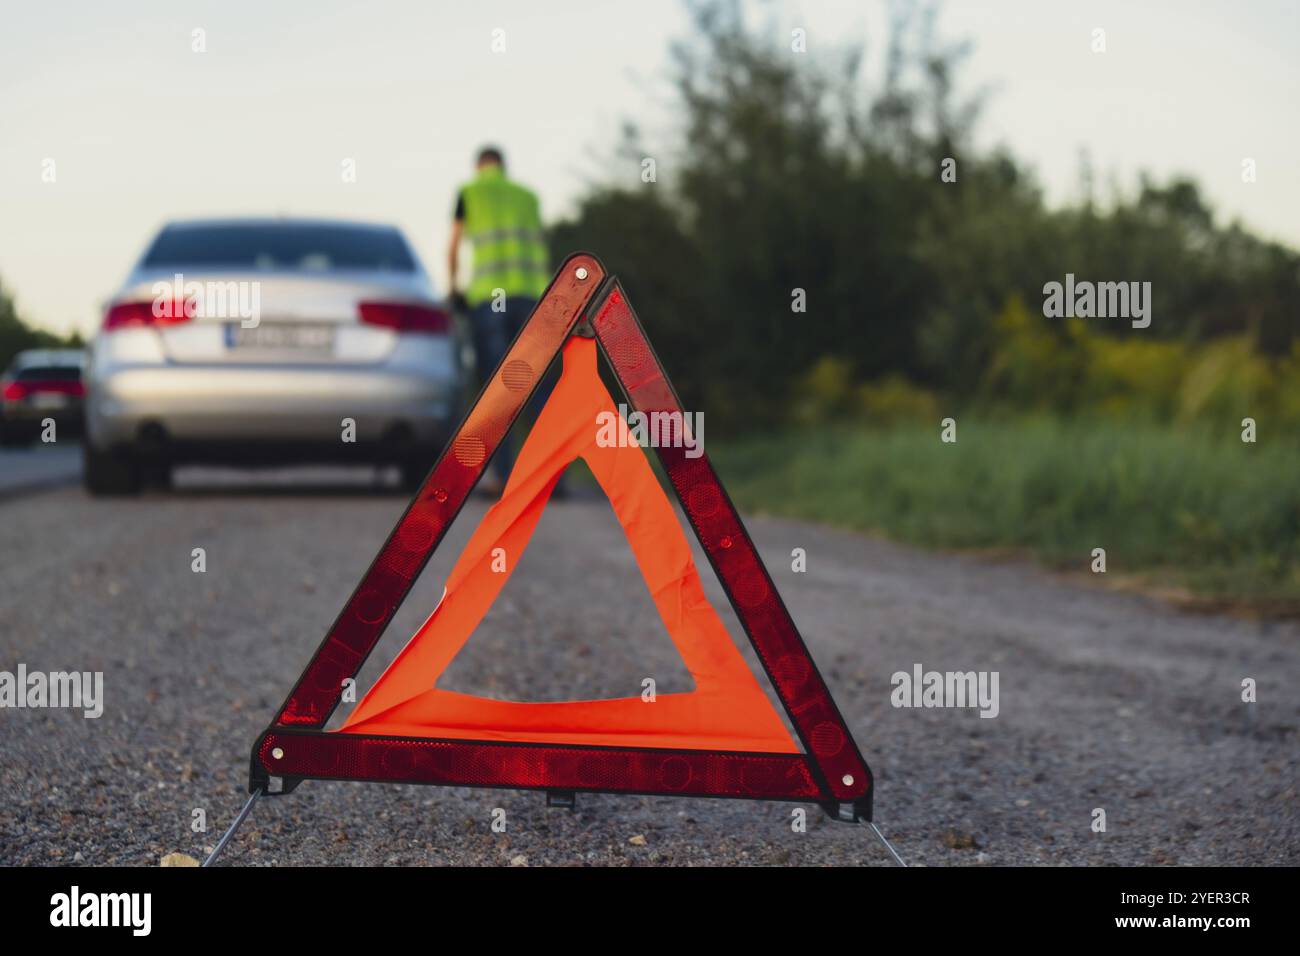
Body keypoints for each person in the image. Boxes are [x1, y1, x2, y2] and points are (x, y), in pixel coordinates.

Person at [448, 146, 550, 492]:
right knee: (538, 389)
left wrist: (453, 287)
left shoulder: (470, 192)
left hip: (490, 299)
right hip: (533, 299)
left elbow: (454, 245)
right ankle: (549, 476)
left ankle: (503, 478)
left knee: (497, 390)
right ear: (504, 166)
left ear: (479, 166)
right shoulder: (528, 197)